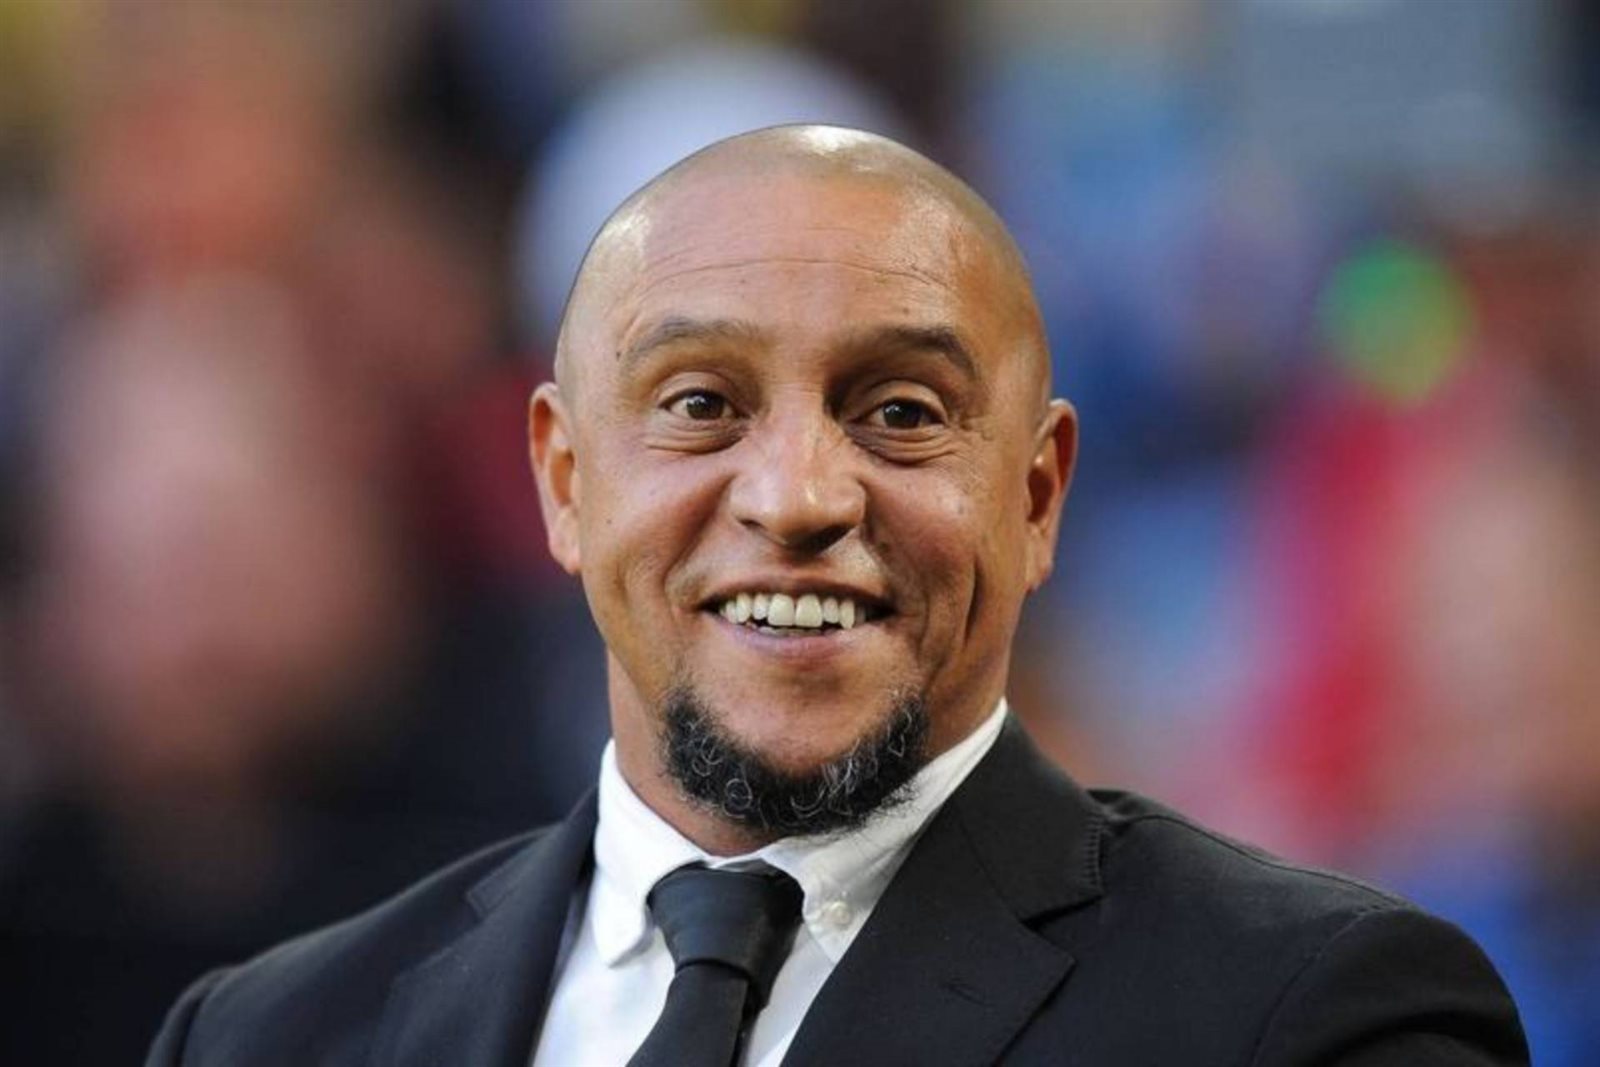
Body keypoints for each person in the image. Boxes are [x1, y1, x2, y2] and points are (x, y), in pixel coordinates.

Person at [146, 125, 1527, 1066]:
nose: (798, 495)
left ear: (1036, 497)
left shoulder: (1313, 1021)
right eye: (702, 404)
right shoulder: (264, 1037)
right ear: (564, 482)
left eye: (901, 411)